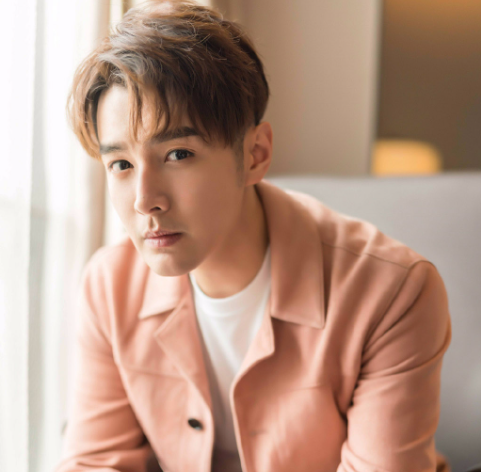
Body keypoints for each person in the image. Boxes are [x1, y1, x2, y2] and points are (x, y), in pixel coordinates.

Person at [55, 1, 452, 471]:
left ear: (255, 154)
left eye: (178, 154)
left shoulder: (391, 292)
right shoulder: (109, 287)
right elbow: (97, 462)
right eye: (121, 164)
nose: (145, 200)